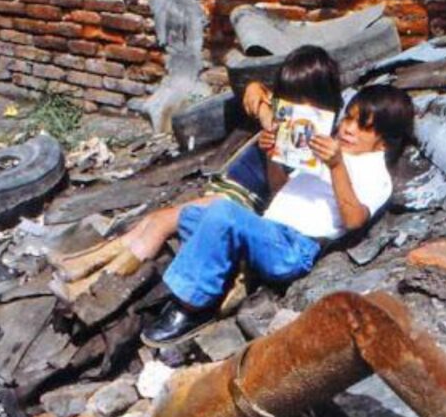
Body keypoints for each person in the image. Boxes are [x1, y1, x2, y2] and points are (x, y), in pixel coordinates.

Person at [48, 46, 343, 300]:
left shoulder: (320, 141)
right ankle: (82, 264)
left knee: (161, 222)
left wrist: (273, 156)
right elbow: (252, 90)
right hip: (229, 188)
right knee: (152, 219)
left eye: (301, 100)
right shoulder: (282, 113)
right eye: (288, 98)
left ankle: (91, 285)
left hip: (242, 200)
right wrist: (267, 114)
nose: (292, 107)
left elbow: (284, 196)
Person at [141, 84, 415, 346]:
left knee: (222, 214)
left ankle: (193, 306)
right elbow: (280, 190)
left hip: (293, 248)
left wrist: (336, 167)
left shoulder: (375, 174)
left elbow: (354, 219)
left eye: (363, 126)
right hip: (270, 231)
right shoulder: (326, 150)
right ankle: (226, 271)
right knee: (192, 215)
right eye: (348, 119)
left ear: (383, 143)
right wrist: (273, 155)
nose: (348, 129)